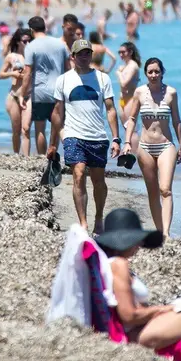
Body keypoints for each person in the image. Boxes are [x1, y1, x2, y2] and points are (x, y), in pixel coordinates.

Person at [99, 208, 181, 361]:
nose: (140, 245)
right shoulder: (119, 265)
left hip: (137, 329)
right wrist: (162, 309)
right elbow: (128, 316)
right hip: (132, 334)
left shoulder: (109, 264)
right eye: (137, 240)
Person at [49, 39, 121, 233]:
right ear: (72, 57)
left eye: (87, 53)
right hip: (73, 135)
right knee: (79, 174)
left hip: (97, 136)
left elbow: (111, 109)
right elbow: (56, 112)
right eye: (80, 53)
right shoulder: (63, 80)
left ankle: (98, 217)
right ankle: (83, 223)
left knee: (99, 181)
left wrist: (116, 138)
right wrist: (58, 138)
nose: (84, 56)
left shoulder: (103, 78)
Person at [123, 57, 181, 237]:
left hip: (166, 146)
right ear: (145, 74)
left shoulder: (171, 93)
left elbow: (177, 120)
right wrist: (127, 142)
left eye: (157, 71)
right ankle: (159, 232)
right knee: (152, 191)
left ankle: (166, 233)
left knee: (165, 189)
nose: (153, 75)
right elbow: (132, 119)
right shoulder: (140, 93)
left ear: (162, 72)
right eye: (150, 72)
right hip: (145, 148)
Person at [21, 15, 69, 157]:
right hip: (59, 90)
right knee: (59, 126)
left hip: (40, 91)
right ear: (45, 27)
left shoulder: (31, 47)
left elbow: (27, 74)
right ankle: (71, 151)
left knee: (40, 127)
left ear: (31, 30)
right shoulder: (60, 44)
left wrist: (23, 94)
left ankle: (42, 158)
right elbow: (68, 68)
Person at [0, 27, 32, 155]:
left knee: (26, 128)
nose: (27, 44)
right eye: (25, 41)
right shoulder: (11, 57)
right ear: (18, 42)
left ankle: (27, 158)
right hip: (14, 95)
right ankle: (16, 155)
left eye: (30, 41)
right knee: (16, 130)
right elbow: (1, 75)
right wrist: (13, 73)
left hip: (29, 95)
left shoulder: (33, 56)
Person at [116, 41, 141, 117]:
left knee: (130, 125)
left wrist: (119, 73)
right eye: (119, 52)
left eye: (123, 52)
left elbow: (124, 84)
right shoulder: (126, 66)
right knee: (125, 126)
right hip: (123, 99)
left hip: (130, 99)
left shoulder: (133, 66)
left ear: (130, 52)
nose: (121, 54)